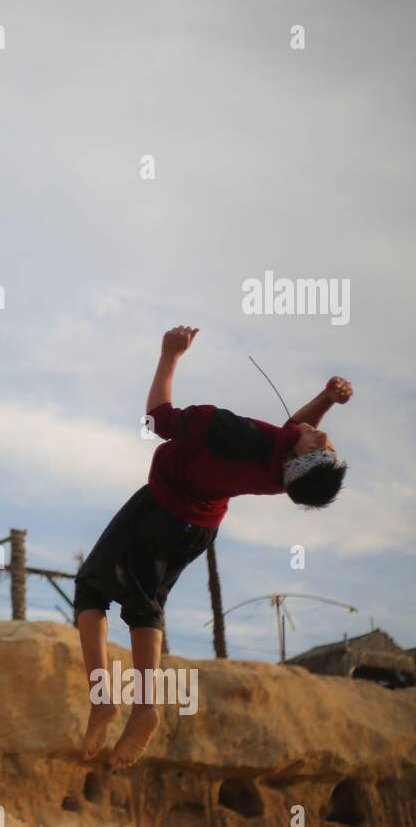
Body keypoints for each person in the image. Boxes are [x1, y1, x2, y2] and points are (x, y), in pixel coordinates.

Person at [74, 326, 352, 767]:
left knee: (91, 589)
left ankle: (107, 698)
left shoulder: (227, 432)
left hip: (160, 509)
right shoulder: (280, 474)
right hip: (197, 527)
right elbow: (292, 434)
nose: (319, 433)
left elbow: (157, 418)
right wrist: (324, 399)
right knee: (146, 606)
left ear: (297, 461)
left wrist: (169, 355)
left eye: (319, 441)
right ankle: (141, 706)